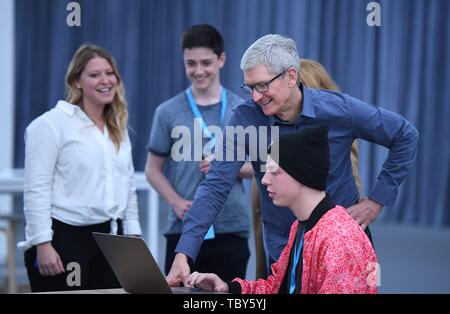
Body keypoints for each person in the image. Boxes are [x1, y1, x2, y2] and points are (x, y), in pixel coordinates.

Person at [167, 34, 418, 286]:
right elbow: (214, 187)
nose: (255, 97)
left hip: (341, 246)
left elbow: (405, 135)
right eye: (250, 87)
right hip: (282, 252)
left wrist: (376, 202)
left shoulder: (339, 110)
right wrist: (184, 253)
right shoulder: (245, 119)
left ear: (290, 76)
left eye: (262, 86)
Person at [188, 125, 378, 294]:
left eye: (274, 171)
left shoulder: (339, 239)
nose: (264, 180)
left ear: (302, 175)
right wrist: (228, 287)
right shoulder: (303, 225)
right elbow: (277, 287)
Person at [19, 44, 142, 292]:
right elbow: (36, 188)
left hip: (111, 239)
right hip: (64, 239)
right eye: (94, 75)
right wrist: (42, 243)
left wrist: (133, 236)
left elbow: (127, 185)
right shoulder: (51, 125)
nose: (105, 80)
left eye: (110, 73)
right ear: (76, 81)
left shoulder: (117, 127)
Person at [145, 24, 252, 281]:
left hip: (231, 228)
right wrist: (175, 201)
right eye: (190, 63)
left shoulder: (243, 110)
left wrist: (228, 165)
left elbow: (266, 165)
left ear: (222, 59)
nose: (198, 71)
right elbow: (152, 170)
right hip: (183, 230)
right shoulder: (167, 112)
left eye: (206, 62)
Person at [251, 58, 363, 278]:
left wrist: (376, 202)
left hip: (327, 239)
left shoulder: (339, 135)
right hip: (281, 233)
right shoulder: (274, 130)